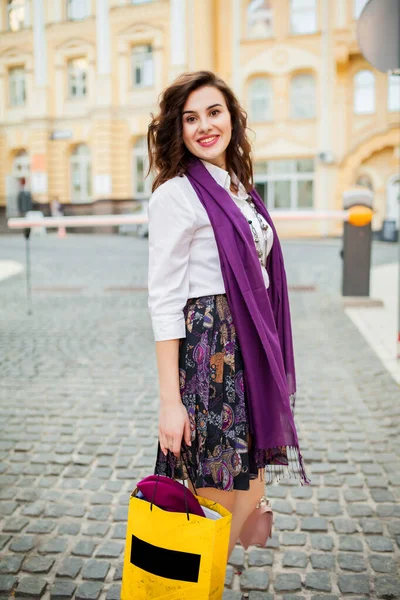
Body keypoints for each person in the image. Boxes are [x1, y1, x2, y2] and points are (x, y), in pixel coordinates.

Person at [147, 71, 309, 559]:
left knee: (245, 490)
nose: (204, 127)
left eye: (213, 112)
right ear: (178, 129)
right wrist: (169, 402)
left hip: (251, 353)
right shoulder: (176, 194)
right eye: (190, 118)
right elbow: (164, 299)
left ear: (232, 118)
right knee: (209, 515)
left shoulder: (237, 187)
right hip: (211, 357)